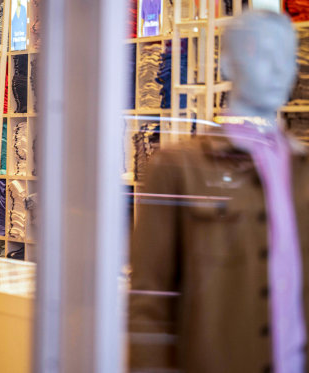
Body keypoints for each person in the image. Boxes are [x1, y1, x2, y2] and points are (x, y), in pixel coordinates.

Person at [129, 11, 307, 373]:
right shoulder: (177, 168)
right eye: (262, 54)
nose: (278, 70)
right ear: (227, 63)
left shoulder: (303, 169)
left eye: (287, 57)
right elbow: (150, 303)